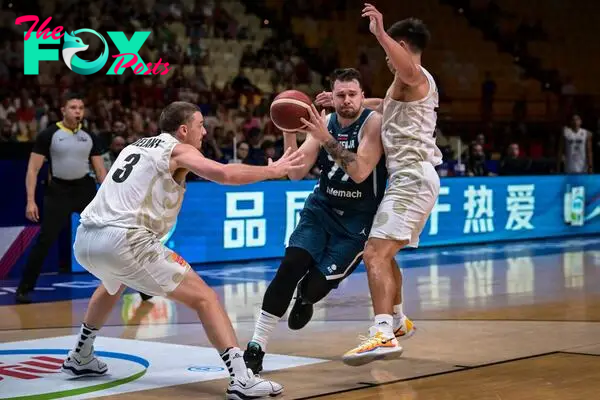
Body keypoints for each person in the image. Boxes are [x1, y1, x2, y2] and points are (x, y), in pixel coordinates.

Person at [60, 101, 305, 399]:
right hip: (125, 239)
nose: (204, 131)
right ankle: (241, 378)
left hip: (86, 238)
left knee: (114, 282)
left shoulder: (135, 146)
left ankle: (80, 354)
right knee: (205, 298)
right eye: (201, 125)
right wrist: (273, 170)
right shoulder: (178, 148)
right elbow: (224, 174)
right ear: (184, 129)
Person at [244, 68, 414, 375]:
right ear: (331, 97)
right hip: (320, 210)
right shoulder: (323, 124)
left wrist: (325, 137)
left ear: (363, 96)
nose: (347, 100)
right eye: (340, 95)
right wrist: (290, 130)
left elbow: (361, 171)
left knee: (313, 288)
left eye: (352, 94)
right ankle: (256, 345)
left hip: (357, 224)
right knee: (290, 265)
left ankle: (306, 298)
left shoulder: (373, 123)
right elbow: (296, 173)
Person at [328, 5, 442, 366]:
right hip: (408, 178)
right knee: (382, 252)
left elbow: (406, 67)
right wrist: (349, 102)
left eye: (392, 45)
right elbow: (385, 104)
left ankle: (382, 334)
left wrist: (379, 33)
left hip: (412, 176)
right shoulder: (401, 89)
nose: (386, 56)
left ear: (402, 44)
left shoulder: (416, 74)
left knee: (374, 254)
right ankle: (396, 321)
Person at [16, 93, 107, 304]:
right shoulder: (49, 134)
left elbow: (100, 170)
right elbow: (33, 169)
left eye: (81, 108)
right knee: (45, 240)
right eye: (73, 107)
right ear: (63, 111)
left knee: (109, 235)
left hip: (84, 188)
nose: (78, 111)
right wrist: (30, 200)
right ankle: (24, 289)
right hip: (58, 190)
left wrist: (110, 196)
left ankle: (141, 288)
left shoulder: (89, 136)